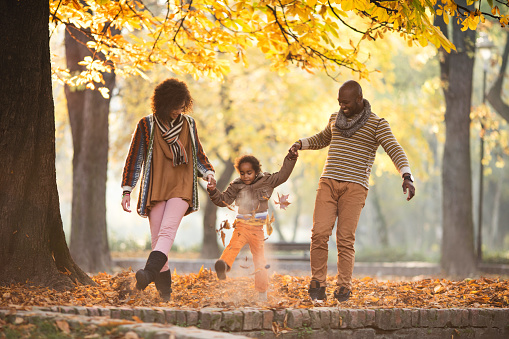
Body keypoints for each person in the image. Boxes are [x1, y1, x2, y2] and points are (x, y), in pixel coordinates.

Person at [289, 80, 415, 302]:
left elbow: (394, 148)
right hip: (328, 182)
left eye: (346, 103)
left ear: (359, 98)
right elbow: (322, 138)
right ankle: (318, 283)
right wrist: (301, 143)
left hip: (355, 187)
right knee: (319, 233)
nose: (342, 107)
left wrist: (406, 175)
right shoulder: (335, 119)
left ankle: (343, 288)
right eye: (339, 102)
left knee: (345, 239)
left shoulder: (377, 124)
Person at [121, 78, 215, 301]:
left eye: (182, 107)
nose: (178, 111)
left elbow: (198, 154)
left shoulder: (189, 124)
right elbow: (135, 158)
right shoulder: (147, 125)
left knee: (166, 233)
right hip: (155, 187)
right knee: (158, 242)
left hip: (181, 185)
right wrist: (127, 190)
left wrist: (208, 173)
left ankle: (148, 273)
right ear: (162, 104)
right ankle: (165, 295)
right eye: (174, 107)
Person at [206, 151, 297, 301]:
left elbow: (283, 175)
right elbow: (223, 200)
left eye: (249, 173)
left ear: (256, 171)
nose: (245, 176)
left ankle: (262, 292)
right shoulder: (236, 186)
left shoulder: (267, 181)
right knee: (233, 246)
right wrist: (212, 190)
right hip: (242, 226)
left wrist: (291, 158)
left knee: (260, 260)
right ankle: (223, 265)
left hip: (258, 230)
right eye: (242, 173)